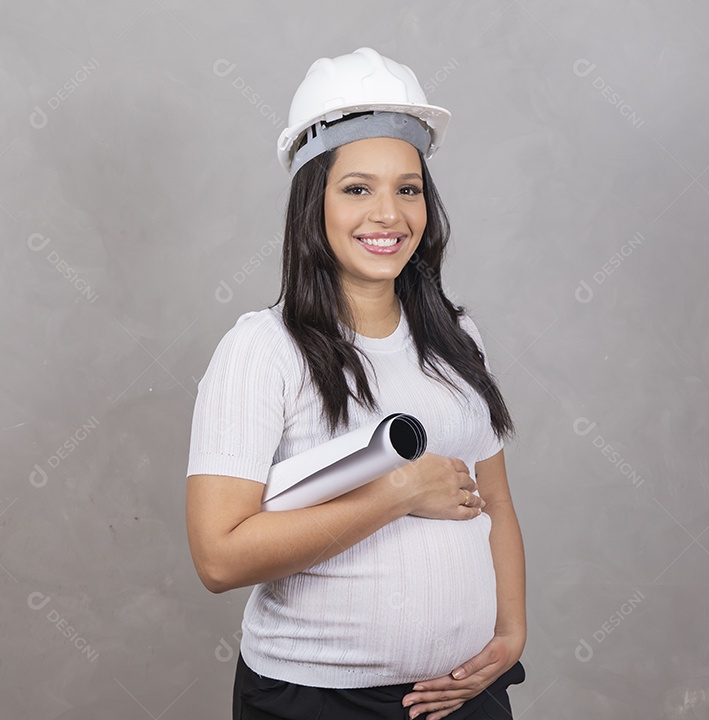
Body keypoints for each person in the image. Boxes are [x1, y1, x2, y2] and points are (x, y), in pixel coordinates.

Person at [184, 47, 527, 720]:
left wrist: (509, 636)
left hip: (462, 695)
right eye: (357, 188)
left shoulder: (457, 337)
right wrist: (396, 492)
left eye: (408, 188)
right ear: (315, 201)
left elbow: (496, 504)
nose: (389, 215)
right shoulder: (262, 351)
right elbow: (218, 558)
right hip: (317, 700)